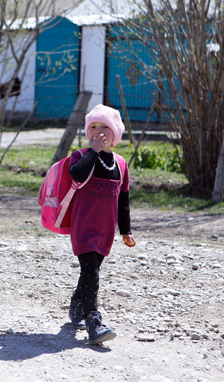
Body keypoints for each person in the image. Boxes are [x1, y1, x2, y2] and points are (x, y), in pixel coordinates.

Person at [67, 104, 136, 344]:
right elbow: (76, 174)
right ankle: (94, 322)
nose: (98, 131)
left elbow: (123, 200)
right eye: (93, 127)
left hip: (105, 230)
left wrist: (125, 230)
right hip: (83, 227)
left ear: (115, 134)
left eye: (105, 127)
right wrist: (92, 152)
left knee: (90, 272)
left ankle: (77, 300)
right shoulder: (81, 157)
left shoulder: (120, 164)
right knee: (92, 273)